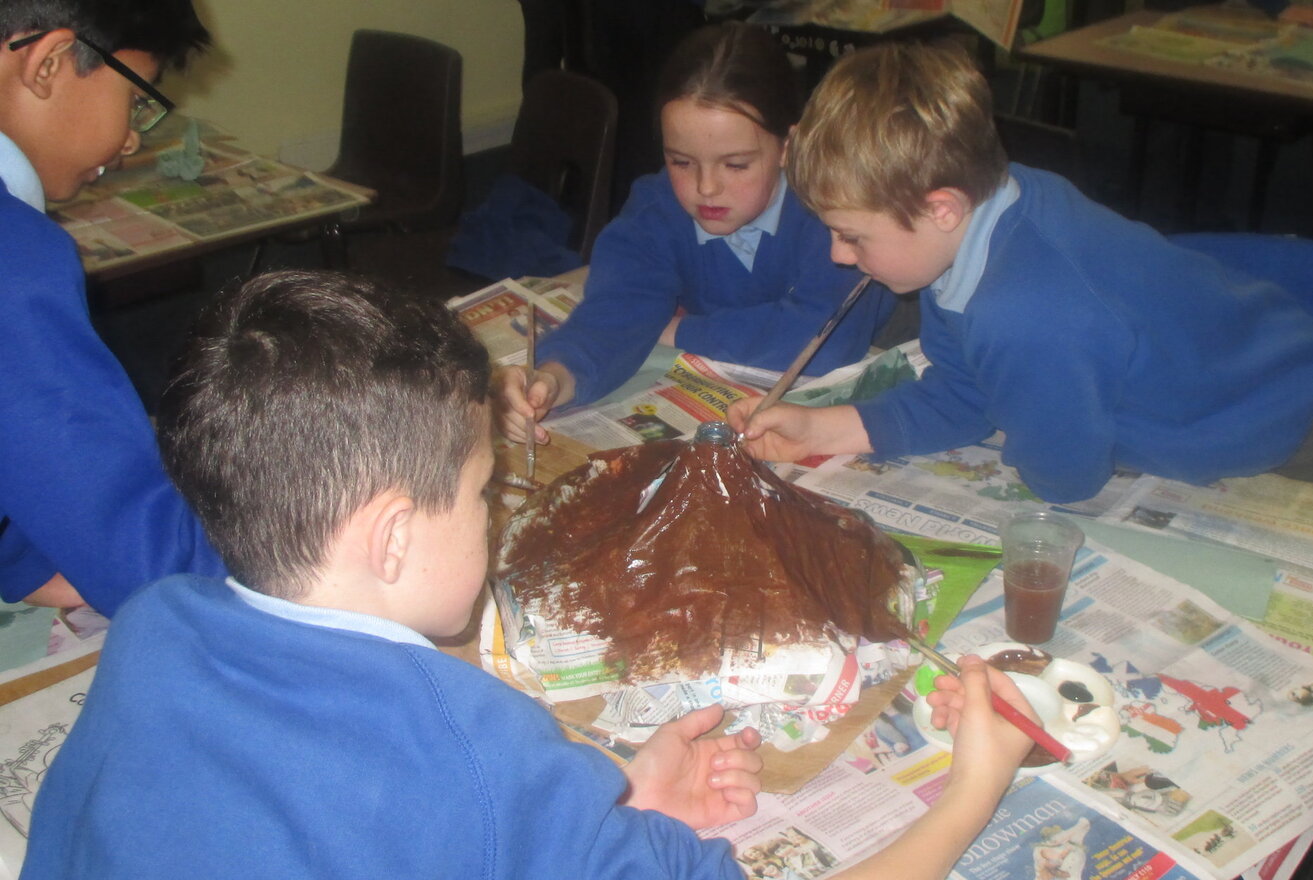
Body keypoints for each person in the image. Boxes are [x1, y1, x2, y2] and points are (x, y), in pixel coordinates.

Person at [23, 269, 1036, 879]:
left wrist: (613, 806)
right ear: (389, 539)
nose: (495, 508)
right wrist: (968, 794)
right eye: (478, 491)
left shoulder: (156, 624)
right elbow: (463, 798)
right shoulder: (475, 742)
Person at [729, 41, 1313, 504]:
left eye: (852, 235)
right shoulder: (984, 218)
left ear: (942, 208)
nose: (841, 255)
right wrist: (820, 428)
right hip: (1226, 386)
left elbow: (1065, 478)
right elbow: (964, 393)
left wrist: (1028, 421)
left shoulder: (1022, 311)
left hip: (1287, 428)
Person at [495, 22, 894, 445]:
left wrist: (677, 331)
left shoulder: (833, 211)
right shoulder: (658, 208)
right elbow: (617, 309)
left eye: (736, 164)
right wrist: (554, 379)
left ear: (787, 147)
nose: (706, 188)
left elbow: (828, 338)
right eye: (681, 162)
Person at [0, 0, 223, 615]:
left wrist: (21, 559)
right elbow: (153, 566)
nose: (130, 137)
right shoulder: (14, 259)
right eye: (137, 101)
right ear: (47, 64)